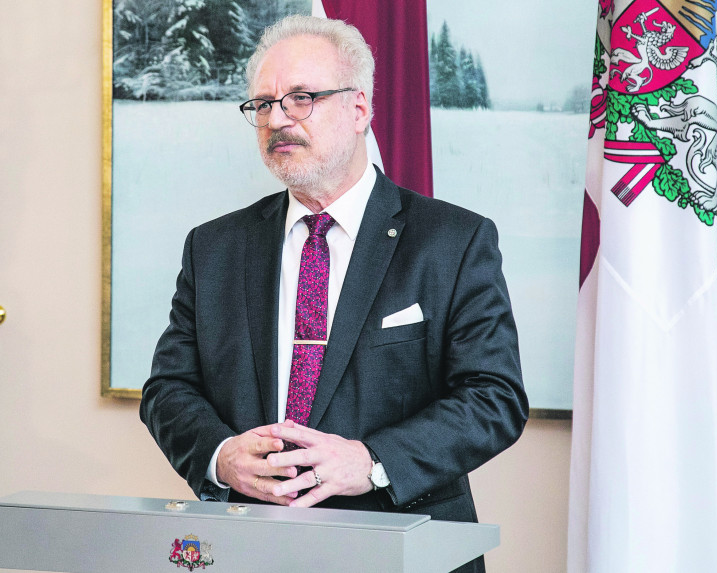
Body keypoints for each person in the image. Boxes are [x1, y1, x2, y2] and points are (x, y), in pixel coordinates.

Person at [140, 14, 528, 572]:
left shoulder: (453, 240)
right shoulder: (214, 246)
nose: (277, 119)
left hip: (405, 547)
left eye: (301, 98)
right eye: (263, 104)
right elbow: (169, 388)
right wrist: (221, 456)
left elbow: (494, 397)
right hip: (250, 550)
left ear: (359, 109)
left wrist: (372, 461)